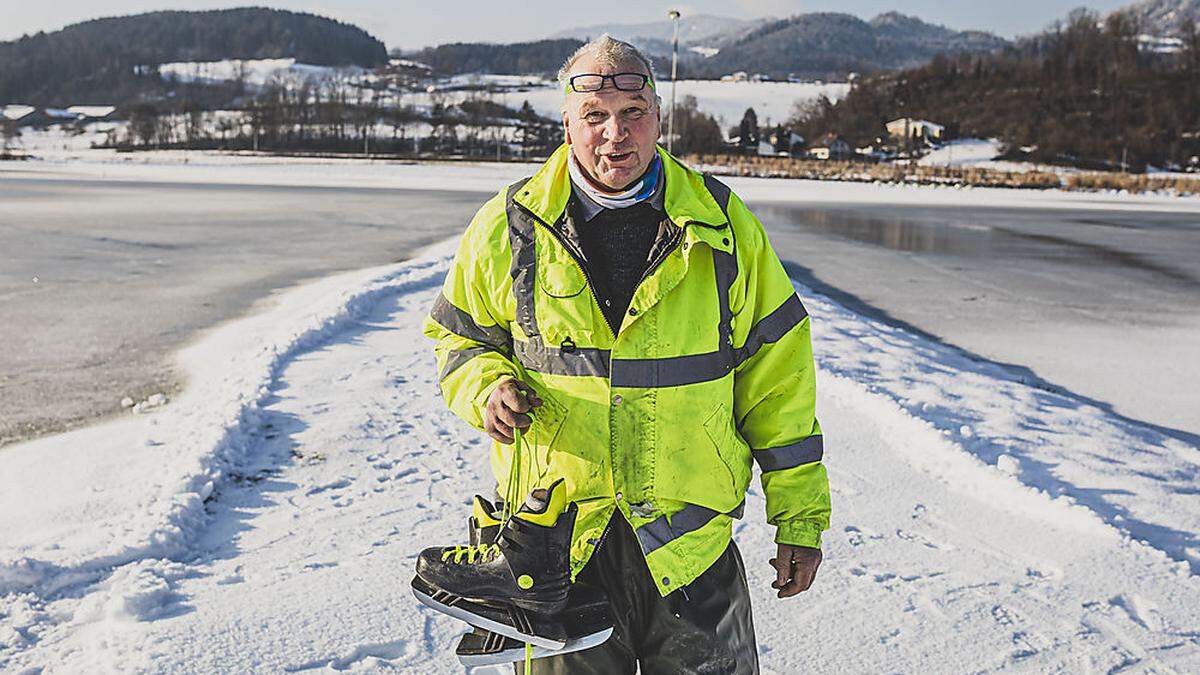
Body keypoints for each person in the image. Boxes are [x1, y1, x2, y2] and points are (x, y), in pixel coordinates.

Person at [423, 34, 829, 674]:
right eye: (595, 118)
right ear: (567, 123)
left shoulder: (723, 225)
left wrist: (799, 521)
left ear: (658, 118)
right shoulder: (509, 226)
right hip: (557, 550)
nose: (616, 135)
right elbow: (460, 339)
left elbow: (778, 381)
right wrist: (486, 387)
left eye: (633, 114)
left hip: (690, 549)